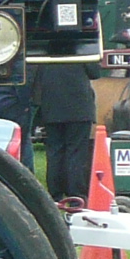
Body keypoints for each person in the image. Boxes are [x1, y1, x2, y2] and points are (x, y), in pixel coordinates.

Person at [32, 61, 98, 203]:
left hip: (51, 105)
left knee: (54, 152)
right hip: (79, 106)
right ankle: (76, 195)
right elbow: (95, 72)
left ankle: (55, 195)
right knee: (76, 152)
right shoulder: (81, 47)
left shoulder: (45, 47)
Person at [0, 82, 34, 173]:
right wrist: (26, 103)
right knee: (23, 142)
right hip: (12, 103)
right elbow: (22, 82)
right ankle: (25, 174)